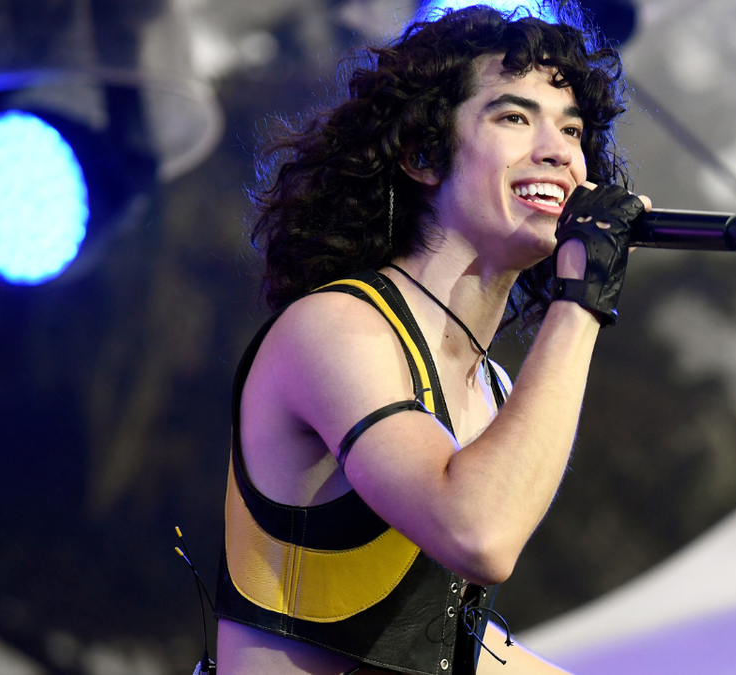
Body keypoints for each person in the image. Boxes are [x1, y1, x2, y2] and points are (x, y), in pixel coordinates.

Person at [214, 4, 650, 674]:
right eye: (514, 118)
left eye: (572, 129)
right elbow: (478, 532)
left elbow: (444, 641)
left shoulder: (493, 388)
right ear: (422, 154)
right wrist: (582, 298)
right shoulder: (335, 328)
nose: (560, 152)